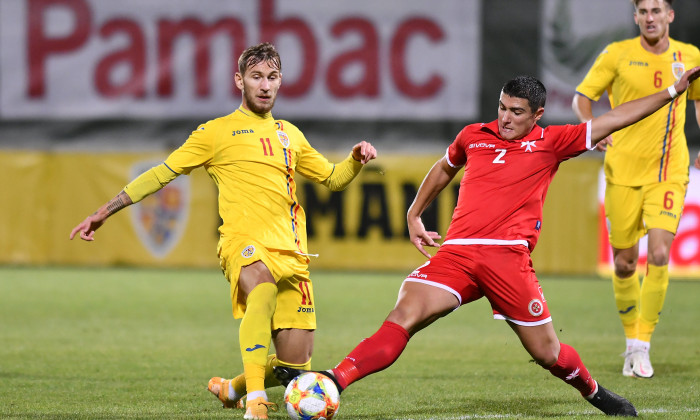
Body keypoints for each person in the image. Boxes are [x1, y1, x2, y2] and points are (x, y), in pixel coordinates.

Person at [274, 67, 700, 417]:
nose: (506, 118)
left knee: (548, 353)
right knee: (402, 314)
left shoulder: (552, 142)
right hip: (457, 253)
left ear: (537, 114)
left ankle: (595, 393)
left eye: (517, 111)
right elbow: (444, 168)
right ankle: (333, 380)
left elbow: (617, 117)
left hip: (507, 261)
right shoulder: (473, 135)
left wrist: (670, 91)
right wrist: (414, 212)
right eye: (501, 107)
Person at [69, 42, 377, 420]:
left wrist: (355, 160)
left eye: (272, 77)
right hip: (242, 244)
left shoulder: (289, 135)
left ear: (281, 82)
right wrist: (104, 211)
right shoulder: (215, 133)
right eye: (256, 76)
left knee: (293, 367)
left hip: (292, 254)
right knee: (260, 291)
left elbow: (332, 178)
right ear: (240, 80)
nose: (265, 85)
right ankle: (255, 403)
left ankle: (233, 388)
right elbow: (161, 173)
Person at [571, 0, 700, 379]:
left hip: (668, 171)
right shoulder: (617, 54)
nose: (650, 18)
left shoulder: (689, 55)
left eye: (656, 11)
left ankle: (643, 345)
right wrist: (590, 130)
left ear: (670, 16)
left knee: (660, 253)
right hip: (622, 171)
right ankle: (630, 344)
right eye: (643, 11)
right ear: (635, 17)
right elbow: (583, 99)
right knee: (626, 262)